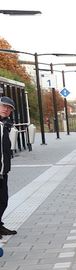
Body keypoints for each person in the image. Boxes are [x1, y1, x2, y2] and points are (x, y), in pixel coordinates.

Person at [0, 97, 16, 236]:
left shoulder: (5, 124)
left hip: (3, 170)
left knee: (3, 201)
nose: (6, 109)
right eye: (4, 106)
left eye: (9, 108)